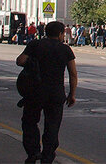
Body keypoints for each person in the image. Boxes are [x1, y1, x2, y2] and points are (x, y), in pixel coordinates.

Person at [16, 21, 77, 164]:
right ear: (61, 34)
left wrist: (33, 62)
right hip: (56, 94)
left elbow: (20, 61)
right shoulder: (65, 49)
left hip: (34, 92)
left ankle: (33, 152)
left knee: (29, 122)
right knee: (52, 126)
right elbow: (73, 74)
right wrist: (72, 94)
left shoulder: (35, 45)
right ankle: (47, 156)